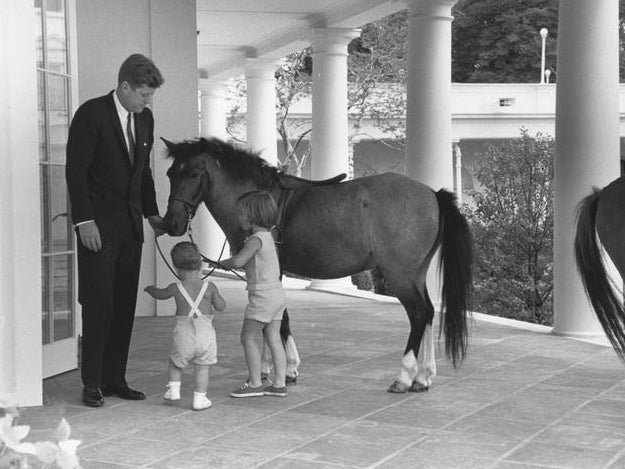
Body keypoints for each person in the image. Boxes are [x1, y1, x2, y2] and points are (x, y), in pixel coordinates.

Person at [66, 53, 165, 407]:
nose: (147, 101)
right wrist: (84, 220)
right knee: (99, 304)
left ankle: (114, 379)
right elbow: (75, 172)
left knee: (123, 305)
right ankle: (91, 383)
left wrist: (152, 214)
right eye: (143, 94)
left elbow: (143, 172)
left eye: (150, 96)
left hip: (130, 229)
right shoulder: (91, 115)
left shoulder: (145, 120)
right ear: (125, 87)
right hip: (97, 228)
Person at [218, 190, 288, 398]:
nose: (239, 218)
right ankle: (279, 384)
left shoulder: (255, 239)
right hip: (277, 294)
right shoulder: (268, 237)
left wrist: (223, 263)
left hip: (263, 296)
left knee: (248, 337)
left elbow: (239, 262)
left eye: (241, 214)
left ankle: (255, 383)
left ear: (253, 215)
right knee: (274, 337)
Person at [144, 242, 226, 411]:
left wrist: (151, 289)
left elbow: (160, 294)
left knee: (176, 362)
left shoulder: (175, 288)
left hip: (183, 333)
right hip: (205, 334)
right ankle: (200, 399)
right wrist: (218, 300)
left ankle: (173, 390)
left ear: (176, 268)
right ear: (200, 264)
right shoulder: (209, 287)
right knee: (202, 368)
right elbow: (220, 305)